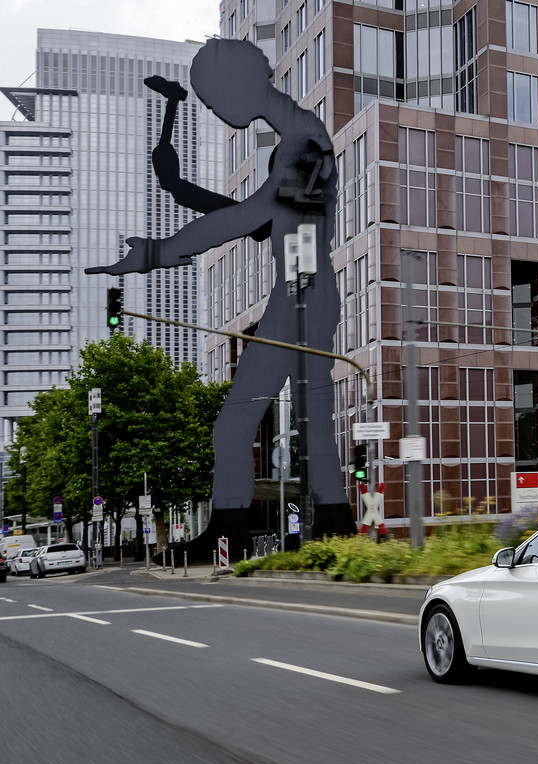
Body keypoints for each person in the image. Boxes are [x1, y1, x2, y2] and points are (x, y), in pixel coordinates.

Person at [87, 39, 353, 547]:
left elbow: (249, 217)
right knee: (300, 425)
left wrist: (155, 253)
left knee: (268, 425)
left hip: (305, 297)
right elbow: (261, 217)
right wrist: (180, 189)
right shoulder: (296, 143)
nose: (213, 110)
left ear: (237, 84)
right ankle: (315, 534)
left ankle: (278, 533)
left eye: (211, 99)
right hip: (296, 294)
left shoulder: (306, 141)